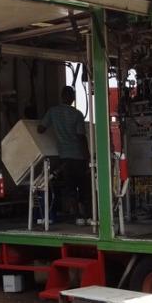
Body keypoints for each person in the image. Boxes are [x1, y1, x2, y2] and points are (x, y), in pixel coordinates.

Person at [38, 85, 90, 224]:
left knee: (70, 187)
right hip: (79, 156)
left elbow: (41, 129)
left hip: (64, 157)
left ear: (61, 96)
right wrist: (88, 156)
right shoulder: (77, 114)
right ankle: (88, 216)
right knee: (84, 186)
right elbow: (81, 137)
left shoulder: (52, 112)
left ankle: (78, 217)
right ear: (73, 98)